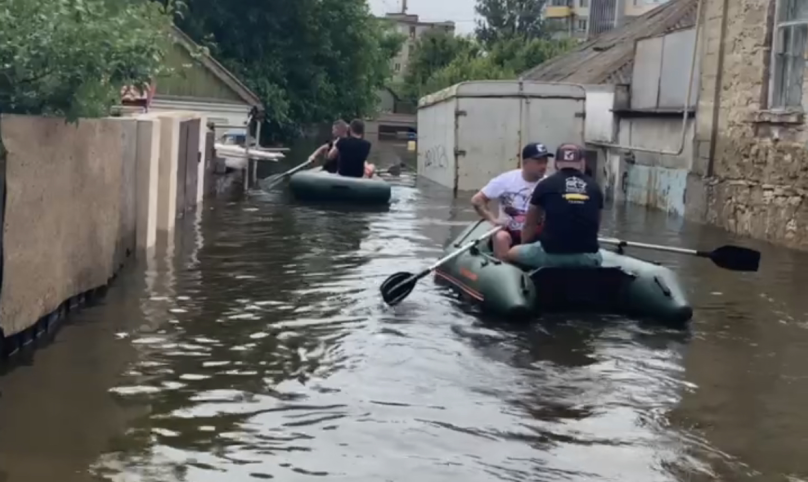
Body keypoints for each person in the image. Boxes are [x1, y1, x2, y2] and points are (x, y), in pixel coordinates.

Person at [507, 143, 604, 268]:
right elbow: (597, 224)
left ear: (556, 163)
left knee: (511, 253)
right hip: (588, 257)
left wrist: (524, 245)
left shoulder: (545, 185)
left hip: (551, 254)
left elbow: (529, 225)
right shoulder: (595, 187)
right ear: (581, 163)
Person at [470, 142, 552, 260]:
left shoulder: (549, 184)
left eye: (545, 161)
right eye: (539, 162)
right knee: (501, 237)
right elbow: (477, 200)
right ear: (525, 163)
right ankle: (504, 271)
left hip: (535, 233)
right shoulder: (506, 180)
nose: (543, 166)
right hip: (509, 231)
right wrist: (493, 220)